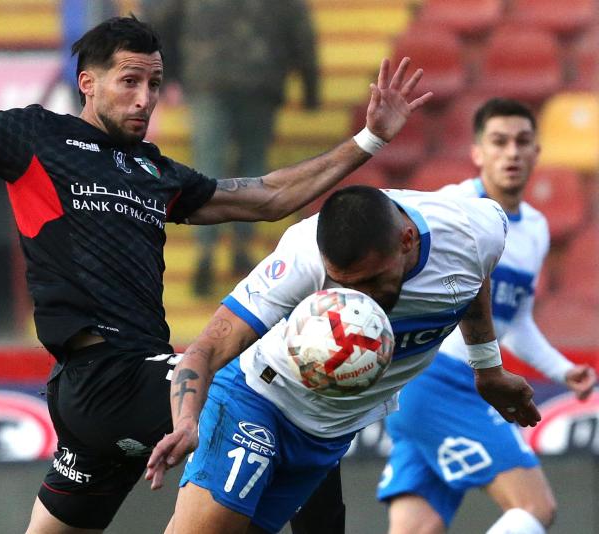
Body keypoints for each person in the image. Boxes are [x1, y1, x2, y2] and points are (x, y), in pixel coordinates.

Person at [0, 15, 432, 534]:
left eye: (154, 84)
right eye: (129, 81)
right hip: (104, 375)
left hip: (124, 389)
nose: (144, 98)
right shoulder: (35, 136)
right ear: (88, 82)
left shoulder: (154, 171)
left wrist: (370, 139)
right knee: (290, 413)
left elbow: (267, 196)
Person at [145, 184, 542, 534]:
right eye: (343, 285)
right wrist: (185, 421)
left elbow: (475, 275)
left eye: (372, 281)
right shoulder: (304, 254)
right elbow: (208, 347)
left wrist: (487, 367)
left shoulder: (476, 229)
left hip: (328, 434)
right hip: (258, 396)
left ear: (406, 240)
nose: (361, 302)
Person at [376, 98, 597, 534]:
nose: (511, 153)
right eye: (499, 142)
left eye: (522, 142)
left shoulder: (535, 229)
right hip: (438, 377)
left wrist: (563, 369)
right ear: (478, 152)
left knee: (416, 528)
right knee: (535, 506)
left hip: (457, 386)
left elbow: (513, 322)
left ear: (537, 152)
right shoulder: (447, 209)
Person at [144, 0, 319, 296]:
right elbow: (301, 31)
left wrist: (166, 74)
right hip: (261, 78)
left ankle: (206, 254)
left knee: (206, 169)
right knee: (253, 168)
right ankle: (241, 248)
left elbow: (161, 19)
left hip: (206, 78)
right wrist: (310, 88)